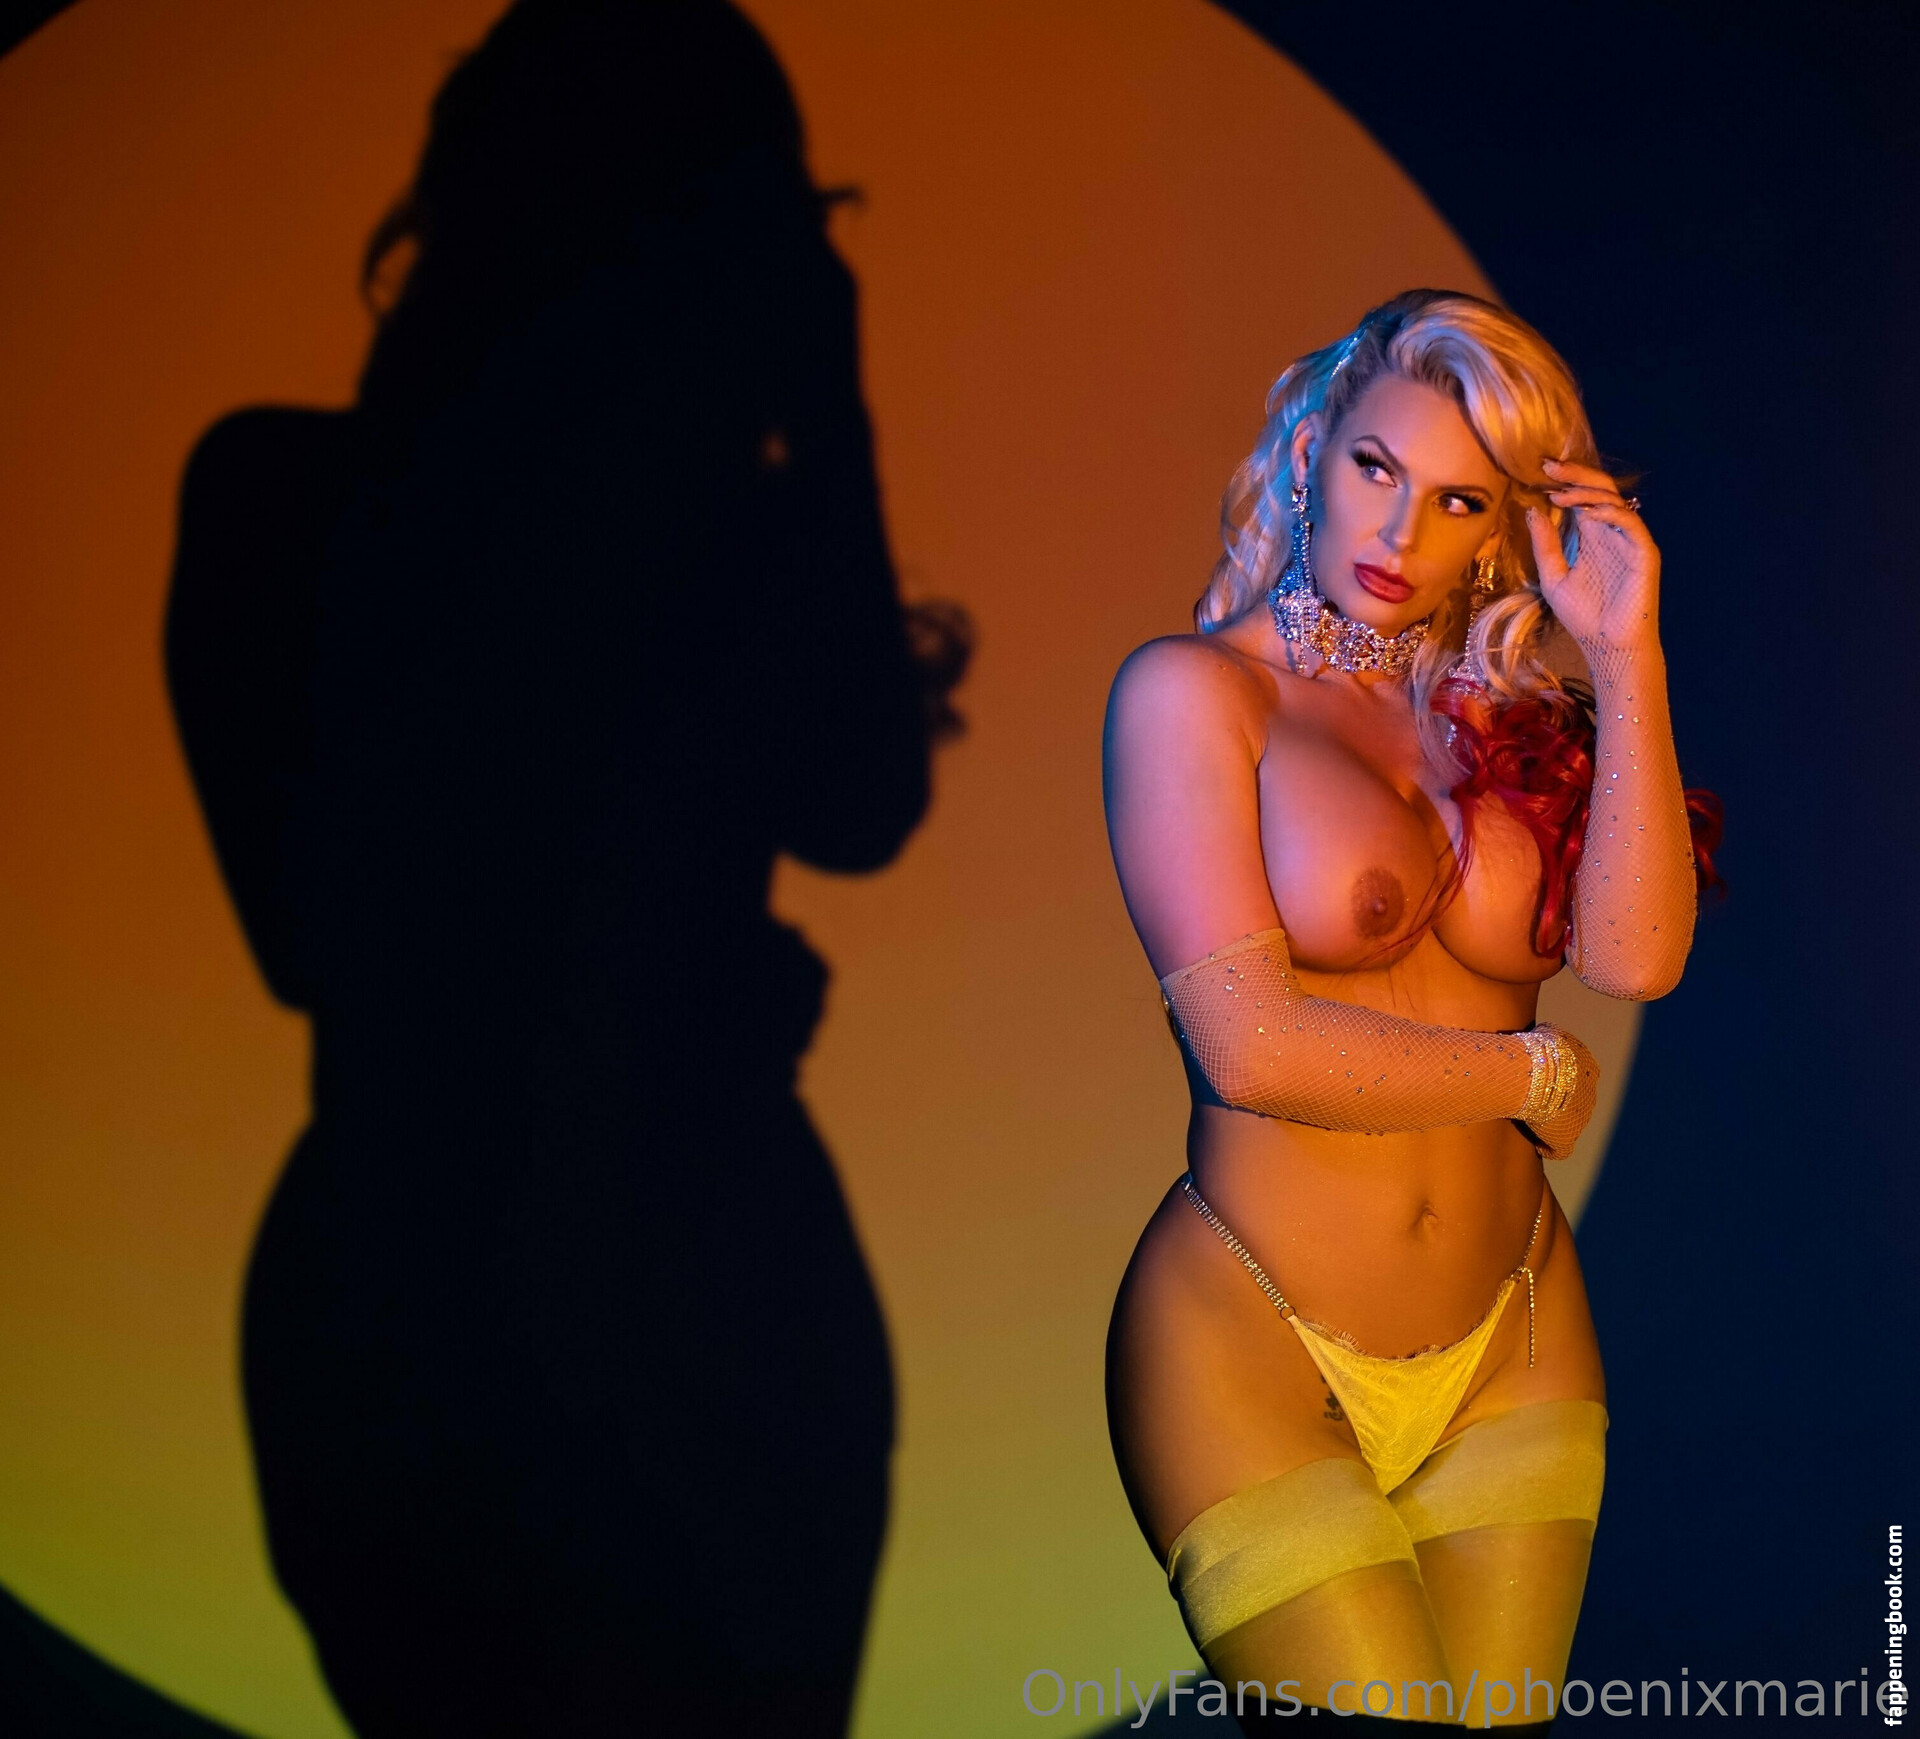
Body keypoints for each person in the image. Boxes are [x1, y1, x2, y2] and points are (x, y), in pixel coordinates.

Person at [165, 3, 967, 1732]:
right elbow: (860, 801)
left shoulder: (283, 504)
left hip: (473, 1264)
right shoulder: (297, 503)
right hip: (605, 1266)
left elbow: (861, 801)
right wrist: (817, 411)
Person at [1102, 290, 1717, 1733]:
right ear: (1311, 449)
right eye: (1378, 467)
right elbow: (1250, 1046)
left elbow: (1635, 960)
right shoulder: (1197, 696)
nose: (1399, 532)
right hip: (1254, 1343)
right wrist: (1528, 1075)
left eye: (1456, 500)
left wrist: (1624, 654)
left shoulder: (1511, 713)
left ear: (1501, 526)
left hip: (1516, 1334)